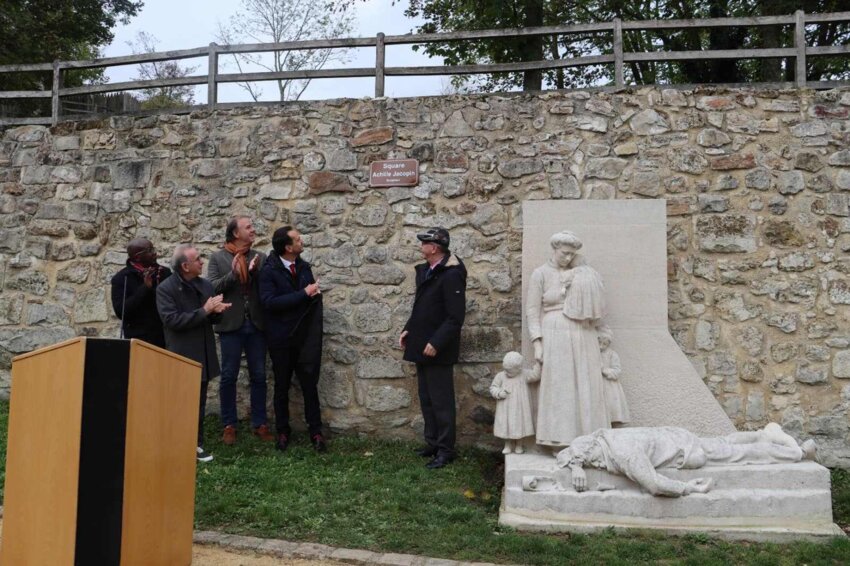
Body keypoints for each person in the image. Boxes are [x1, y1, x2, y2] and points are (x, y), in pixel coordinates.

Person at [556, 424, 817, 497]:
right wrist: (577, 464)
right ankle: (765, 433)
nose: (598, 468)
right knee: (723, 443)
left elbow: (655, 485)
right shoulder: (603, 437)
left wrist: (688, 487)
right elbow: (574, 447)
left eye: (595, 464)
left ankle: (797, 454)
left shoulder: (626, 456)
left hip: (685, 452)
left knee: (735, 455)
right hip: (674, 435)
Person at [526, 230, 608, 448]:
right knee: (560, 385)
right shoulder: (541, 273)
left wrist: (602, 332)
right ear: (555, 249)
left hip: (582, 331)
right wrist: (537, 342)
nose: (568, 258)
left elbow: (595, 304)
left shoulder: (581, 273)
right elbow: (532, 311)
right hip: (555, 331)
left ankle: (589, 438)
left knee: (585, 381)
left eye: (572, 254)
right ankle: (559, 439)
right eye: (565, 253)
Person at [399, 227, 467, 469]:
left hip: (437, 348)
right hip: (422, 343)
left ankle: (446, 449)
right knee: (427, 398)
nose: (421, 246)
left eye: (425, 242)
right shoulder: (427, 271)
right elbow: (421, 307)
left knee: (441, 401)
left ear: (435, 247)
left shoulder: (451, 275)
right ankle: (433, 443)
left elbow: (455, 317)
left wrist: (436, 343)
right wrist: (409, 328)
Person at [156, 244, 231, 463]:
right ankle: (175, 444)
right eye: (197, 259)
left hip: (203, 352)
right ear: (185, 266)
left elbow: (210, 318)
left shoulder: (205, 285)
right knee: (180, 403)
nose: (202, 262)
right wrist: (205, 310)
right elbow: (172, 321)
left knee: (198, 402)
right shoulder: (165, 289)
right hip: (182, 353)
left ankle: (195, 444)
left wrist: (217, 312)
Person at [259, 226, 326, 453]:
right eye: (297, 239)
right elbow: (270, 303)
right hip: (281, 339)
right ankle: (283, 431)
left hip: (304, 338)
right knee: (282, 386)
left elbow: (309, 300)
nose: (301, 241)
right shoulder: (269, 271)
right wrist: (304, 294)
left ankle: (316, 431)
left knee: (310, 385)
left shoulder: (304, 267)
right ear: (288, 247)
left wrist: (313, 294)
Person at [206, 216, 273, 445]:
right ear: (235, 233)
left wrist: (255, 273)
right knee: (228, 376)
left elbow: (266, 287)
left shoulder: (260, 257)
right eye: (248, 227)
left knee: (259, 375)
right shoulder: (217, 258)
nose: (253, 230)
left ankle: (260, 423)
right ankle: (229, 425)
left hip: (256, 325)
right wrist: (234, 274)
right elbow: (211, 288)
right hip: (230, 325)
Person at [110, 238, 171, 347]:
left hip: (165, 336)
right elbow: (121, 311)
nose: (154, 253)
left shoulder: (164, 273)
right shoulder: (122, 278)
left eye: (153, 249)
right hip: (140, 340)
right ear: (137, 257)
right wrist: (145, 288)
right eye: (150, 250)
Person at [489, 352, 540, 455]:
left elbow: (535, 376)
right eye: (506, 370)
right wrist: (499, 393)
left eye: (510, 370)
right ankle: (507, 445)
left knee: (520, 426)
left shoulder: (524, 374)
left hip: (520, 408)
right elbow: (493, 387)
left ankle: (519, 445)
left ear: (519, 368)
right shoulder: (501, 376)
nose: (507, 372)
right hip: (506, 408)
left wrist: (538, 364)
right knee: (506, 426)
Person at [597, 326, 630, 425]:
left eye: (605, 344)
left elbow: (617, 370)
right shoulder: (593, 353)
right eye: (599, 343)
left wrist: (605, 370)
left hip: (609, 386)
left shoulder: (612, 354)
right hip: (596, 384)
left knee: (611, 408)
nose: (601, 346)